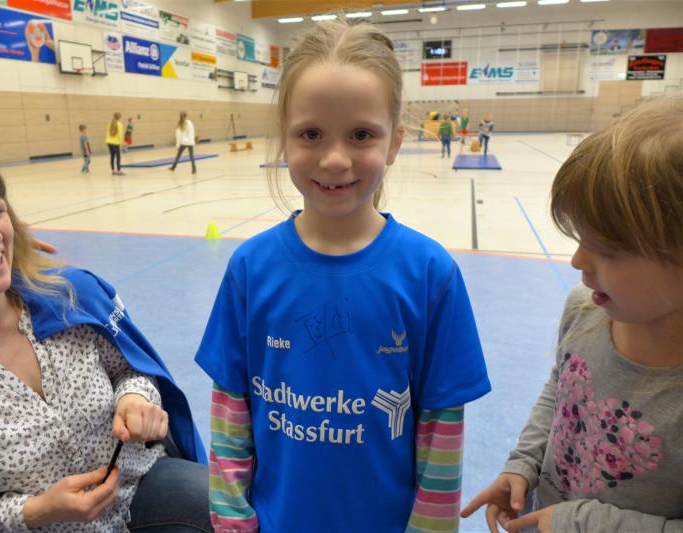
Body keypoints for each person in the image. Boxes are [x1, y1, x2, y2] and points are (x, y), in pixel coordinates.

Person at [195, 20, 491, 533]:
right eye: (311, 134)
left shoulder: (429, 274)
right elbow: (230, 417)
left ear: (395, 142)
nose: (335, 159)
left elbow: (441, 433)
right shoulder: (250, 268)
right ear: (285, 139)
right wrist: (233, 523)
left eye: (361, 135)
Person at [0, 142, 212, 532]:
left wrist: (135, 398)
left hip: (139, 491)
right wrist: (36, 511)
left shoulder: (72, 299)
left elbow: (131, 371)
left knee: (226, 503)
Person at [461, 96, 683, 533]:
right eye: (581, 239)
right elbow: (562, 391)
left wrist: (583, 522)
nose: (578, 260)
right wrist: (524, 463)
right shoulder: (585, 312)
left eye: (608, 250)